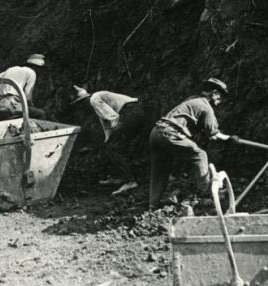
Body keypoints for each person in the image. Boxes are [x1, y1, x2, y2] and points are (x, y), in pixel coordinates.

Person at [148, 78, 235, 209]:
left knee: (160, 171)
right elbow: (214, 134)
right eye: (220, 97)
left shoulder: (192, 99)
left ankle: (153, 205)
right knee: (199, 154)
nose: (220, 101)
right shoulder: (206, 107)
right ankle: (207, 194)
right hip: (170, 133)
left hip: (156, 133)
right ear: (214, 93)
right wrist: (230, 139)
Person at [69, 85, 148, 181]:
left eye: (80, 104)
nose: (81, 107)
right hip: (135, 112)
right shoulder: (96, 102)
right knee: (111, 146)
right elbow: (106, 126)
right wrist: (108, 139)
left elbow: (113, 118)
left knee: (113, 148)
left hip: (132, 112)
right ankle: (119, 176)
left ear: (84, 100)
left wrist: (113, 138)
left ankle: (129, 180)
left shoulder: (94, 100)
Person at [0, 54, 45, 121]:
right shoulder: (32, 73)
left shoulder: (12, 69)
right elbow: (28, 97)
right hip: (11, 106)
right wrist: (30, 107)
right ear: (37, 67)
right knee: (40, 114)